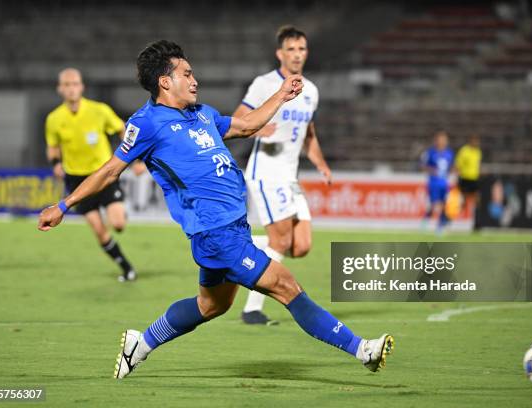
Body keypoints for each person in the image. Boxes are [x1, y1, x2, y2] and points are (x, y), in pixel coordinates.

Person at [37, 40, 394, 379]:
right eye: (187, 74)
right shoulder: (146, 124)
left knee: (211, 306)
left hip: (232, 227)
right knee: (287, 286)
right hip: (215, 232)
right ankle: (363, 350)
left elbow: (247, 124)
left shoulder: (202, 114)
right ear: (165, 81)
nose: (195, 80)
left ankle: (140, 344)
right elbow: (110, 170)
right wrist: (65, 204)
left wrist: (282, 95)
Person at [233, 26, 331, 325]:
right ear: (280, 53)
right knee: (282, 239)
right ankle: (252, 309)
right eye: (291, 49)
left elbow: (309, 134)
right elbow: (239, 118)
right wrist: (258, 128)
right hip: (266, 172)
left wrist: (321, 163)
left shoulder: (310, 90)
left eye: (301, 49)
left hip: (290, 175)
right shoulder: (265, 84)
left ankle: (245, 244)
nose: (297, 54)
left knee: (300, 246)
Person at [45, 68, 142, 282]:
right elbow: (52, 147)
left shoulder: (99, 110)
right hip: (77, 180)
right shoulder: (53, 119)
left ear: (82, 87)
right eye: (67, 84)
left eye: (75, 83)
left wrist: (135, 157)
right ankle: (127, 268)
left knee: (118, 224)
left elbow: (122, 130)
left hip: (103, 174)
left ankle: (116, 208)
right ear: (60, 89)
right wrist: (55, 163)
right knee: (99, 230)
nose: (71, 88)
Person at [421, 130, 454, 234]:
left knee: (444, 205)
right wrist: (432, 170)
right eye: (440, 139)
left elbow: (452, 166)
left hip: (444, 183)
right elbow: (423, 165)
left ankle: (439, 227)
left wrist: (454, 171)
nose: (442, 141)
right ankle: (426, 220)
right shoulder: (430, 152)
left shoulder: (449, 153)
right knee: (435, 205)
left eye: (444, 139)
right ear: (436, 140)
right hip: (433, 183)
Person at [455, 135, 482, 224]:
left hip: (474, 179)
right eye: (474, 141)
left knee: (477, 200)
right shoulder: (464, 151)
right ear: (470, 141)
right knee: (464, 201)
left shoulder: (478, 152)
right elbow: (458, 164)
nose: (476, 143)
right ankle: (458, 219)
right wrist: (458, 177)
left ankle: (476, 221)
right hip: (465, 178)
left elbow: (477, 165)